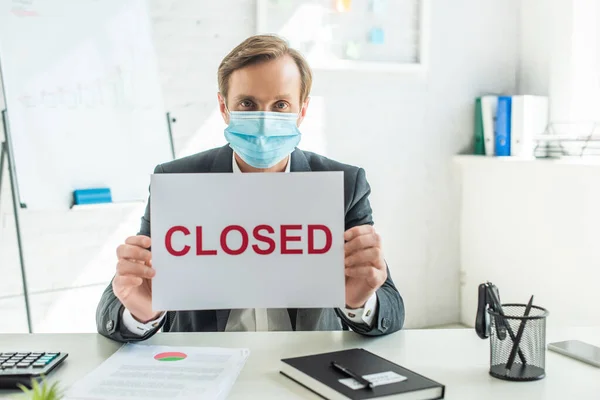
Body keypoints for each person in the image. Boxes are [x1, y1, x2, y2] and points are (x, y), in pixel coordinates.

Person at [96, 34, 405, 342]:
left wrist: (360, 302)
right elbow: (116, 307)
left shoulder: (343, 184)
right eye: (247, 103)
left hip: (307, 365)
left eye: (281, 104)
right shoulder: (177, 182)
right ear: (223, 106)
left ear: (302, 110)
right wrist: (140, 313)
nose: (263, 120)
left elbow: (391, 308)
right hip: (206, 366)